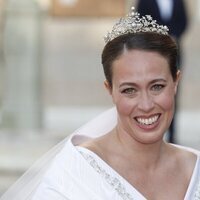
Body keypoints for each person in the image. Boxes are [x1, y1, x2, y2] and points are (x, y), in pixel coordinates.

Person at [1, 7, 200, 200]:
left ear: (176, 83)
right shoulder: (75, 173)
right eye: (129, 90)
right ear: (109, 90)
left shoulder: (195, 169)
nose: (146, 105)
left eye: (157, 86)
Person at [136, 0, 189, 143]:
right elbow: (139, 20)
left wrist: (173, 36)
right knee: (152, 92)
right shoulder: (144, 1)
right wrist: (159, 38)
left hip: (174, 52)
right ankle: (151, 133)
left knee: (172, 93)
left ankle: (172, 136)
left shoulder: (178, 1)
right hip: (151, 52)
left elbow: (184, 21)